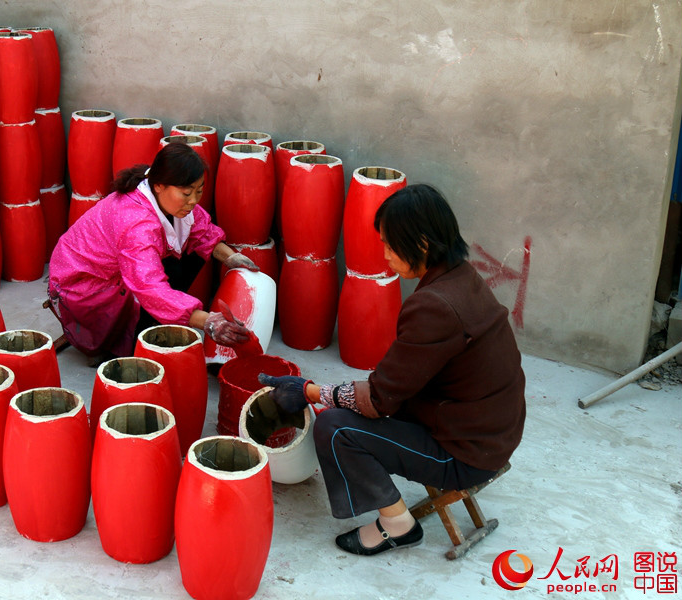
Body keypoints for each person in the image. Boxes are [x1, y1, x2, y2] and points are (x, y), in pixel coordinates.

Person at [259, 184, 525, 556]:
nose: (383, 255)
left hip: (467, 453)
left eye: (388, 244)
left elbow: (380, 398)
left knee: (335, 427)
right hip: (493, 432)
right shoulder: (462, 278)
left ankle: (398, 525)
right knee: (355, 403)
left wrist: (309, 391)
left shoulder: (435, 306)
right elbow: (402, 378)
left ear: (421, 244)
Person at [48, 142, 258, 363]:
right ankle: (129, 344)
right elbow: (148, 285)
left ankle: (155, 322)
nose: (194, 201)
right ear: (158, 186)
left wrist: (231, 257)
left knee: (192, 254)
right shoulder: (137, 223)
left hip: (110, 273)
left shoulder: (159, 195)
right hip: (83, 289)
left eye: (199, 190)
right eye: (187, 193)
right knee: (164, 277)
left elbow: (200, 230)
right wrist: (207, 321)